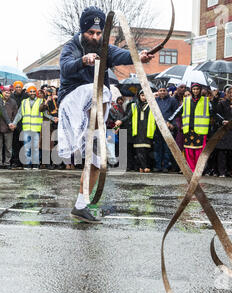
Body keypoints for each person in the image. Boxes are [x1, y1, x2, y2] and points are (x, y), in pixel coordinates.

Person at [57, 6, 154, 223]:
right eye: (91, 33)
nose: (95, 37)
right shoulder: (72, 46)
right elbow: (65, 68)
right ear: (83, 31)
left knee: (97, 162)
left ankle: (81, 205)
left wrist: (139, 56)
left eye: (99, 33)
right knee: (103, 90)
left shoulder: (103, 48)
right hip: (71, 101)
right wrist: (83, 60)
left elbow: (122, 54)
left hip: (93, 104)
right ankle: (92, 129)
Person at [10, 85, 47, 170]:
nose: (32, 93)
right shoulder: (24, 102)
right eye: (31, 91)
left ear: (36, 92)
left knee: (35, 147)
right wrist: (14, 123)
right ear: (28, 92)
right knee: (26, 147)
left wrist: (53, 118)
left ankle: (35, 164)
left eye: (34, 91)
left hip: (36, 128)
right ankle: (27, 164)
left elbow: (45, 114)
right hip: (26, 128)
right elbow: (20, 114)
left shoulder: (40, 101)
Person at [123, 90, 156, 174]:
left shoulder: (152, 105)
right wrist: (121, 121)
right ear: (139, 96)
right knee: (138, 149)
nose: (144, 97)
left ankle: (143, 166)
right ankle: (143, 166)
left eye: (145, 95)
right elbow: (128, 116)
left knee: (146, 150)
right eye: (142, 95)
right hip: (137, 131)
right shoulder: (134, 105)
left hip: (148, 131)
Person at [182, 83, 211, 172]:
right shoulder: (186, 100)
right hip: (189, 129)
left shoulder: (206, 101)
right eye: (194, 89)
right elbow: (178, 111)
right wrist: (167, 120)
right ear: (191, 90)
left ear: (200, 90)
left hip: (200, 130)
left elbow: (213, 112)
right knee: (189, 151)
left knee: (199, 152)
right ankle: (191, 169)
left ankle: (199, 169)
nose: (195, 91)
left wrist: (222, 120)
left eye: (197, 89)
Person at [153, 84, 177, 173]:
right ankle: (157, 166)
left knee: (167, 148)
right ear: (158, 92)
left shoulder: (172, 100)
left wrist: (172, 124)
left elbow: (175, 113)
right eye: (160, 90)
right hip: (157, 127)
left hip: (168, 127)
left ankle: (166, 166)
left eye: (164, 90)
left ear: (167, 91)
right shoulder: (154, 101)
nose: (162, 92)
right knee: (157, 148)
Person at [0, 86, 18, 170]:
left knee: (8, 147)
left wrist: (13, 124)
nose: (7, 94)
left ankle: (7, 163)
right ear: (2, 92)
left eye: (9, 92)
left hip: (9, 128)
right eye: (5, 92)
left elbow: (15, 114)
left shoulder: (13, 102)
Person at [10, 81, 28, 170]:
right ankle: (16, 162)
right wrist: (13, 123)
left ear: (22, 88)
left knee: (24, 143)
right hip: (14, 123)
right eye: (16, 87)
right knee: (15, 144)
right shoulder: (11, 97)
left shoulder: (26, 96)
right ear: (14, 88)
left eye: (19, 87)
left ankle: (24, 162)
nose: (18, 89)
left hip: (24, 123)